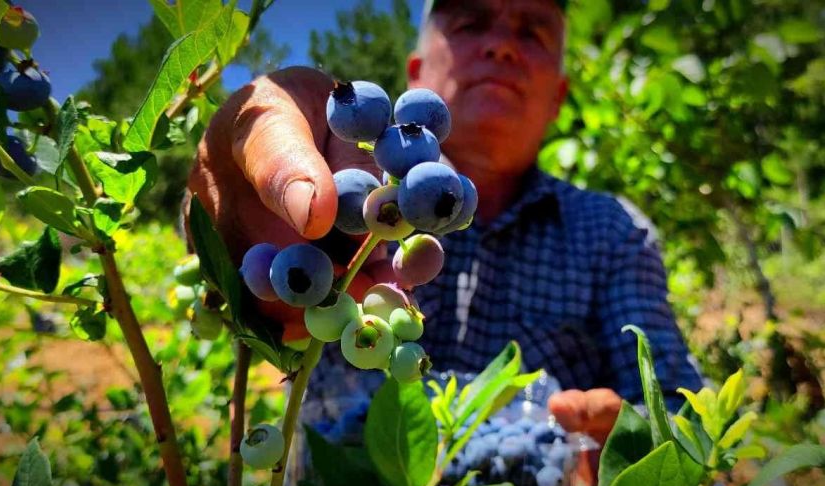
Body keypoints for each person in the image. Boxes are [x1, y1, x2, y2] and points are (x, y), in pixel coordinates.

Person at [186, 0, 702, 447]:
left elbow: (679, 410)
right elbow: (218, 251)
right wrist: (224, 206)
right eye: (471, 23)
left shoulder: (613, 233)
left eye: (532, 31)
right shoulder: (342, 183)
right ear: (415, 73)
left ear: (559, 99)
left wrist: (633, 441)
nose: (501, 46)